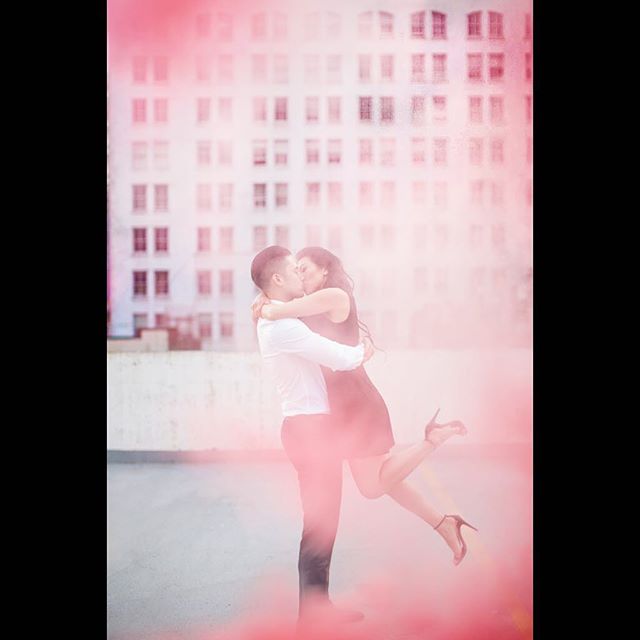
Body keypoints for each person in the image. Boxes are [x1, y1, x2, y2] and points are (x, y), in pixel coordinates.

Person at [252, 246, 477, 567]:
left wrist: (264, 307)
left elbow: (277, 311)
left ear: (324, 271)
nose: (299, 275)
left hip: (358, 404)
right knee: (388, 481)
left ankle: (432, 439)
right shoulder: (306, 306)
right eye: (295, 270)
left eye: (304, 268)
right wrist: (266, 303)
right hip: (342, 411)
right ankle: (444, 523)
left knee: (373, 486)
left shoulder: (334, 295)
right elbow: (287, 311)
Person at [250, 245, 373, 624]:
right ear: (277, 279)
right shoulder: (282, 326)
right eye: (293, 269)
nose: (299, 275)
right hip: (310, 431)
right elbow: (340, 357)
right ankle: (313, 617)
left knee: (323, 522)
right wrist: (361, 351)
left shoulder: (279, 319)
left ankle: (318, 608)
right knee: (320, 523)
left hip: (308, 428)